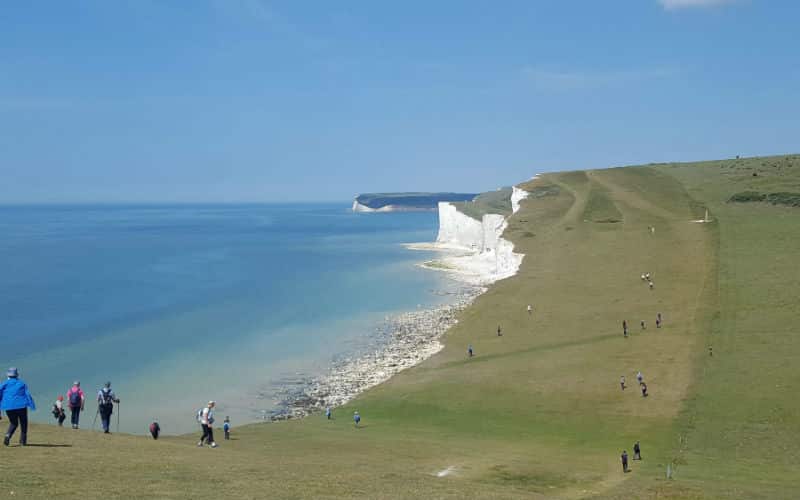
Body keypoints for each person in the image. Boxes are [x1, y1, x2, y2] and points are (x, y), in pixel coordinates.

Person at [0, 368, 36, 446]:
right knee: (23, 423)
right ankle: (22, 442)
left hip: (8, 407)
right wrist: (32, 405)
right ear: (16, 375)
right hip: (21, 406)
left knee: (13, 422)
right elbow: (27, 395)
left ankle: (7, 435)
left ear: (8, 375)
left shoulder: (3, 384)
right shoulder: (22, 383)